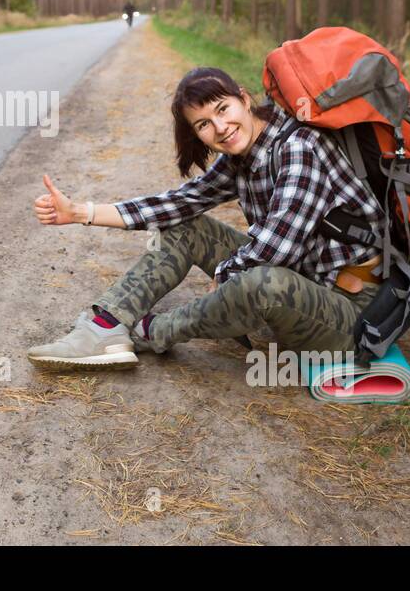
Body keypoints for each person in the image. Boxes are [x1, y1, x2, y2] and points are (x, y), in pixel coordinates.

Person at [27, 66, 388, 370]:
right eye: (202, 124)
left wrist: (226, 274)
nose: (220, 127)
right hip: (305, 286)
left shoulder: (300, 148)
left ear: (244, 99)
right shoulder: (243, 156)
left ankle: (149, 331)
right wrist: (80, 212)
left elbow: (277, 247)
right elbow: (177, 204)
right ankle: (105, 326)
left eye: (222, 108)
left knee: (258, 279)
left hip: (351, 317)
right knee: (186, 226)